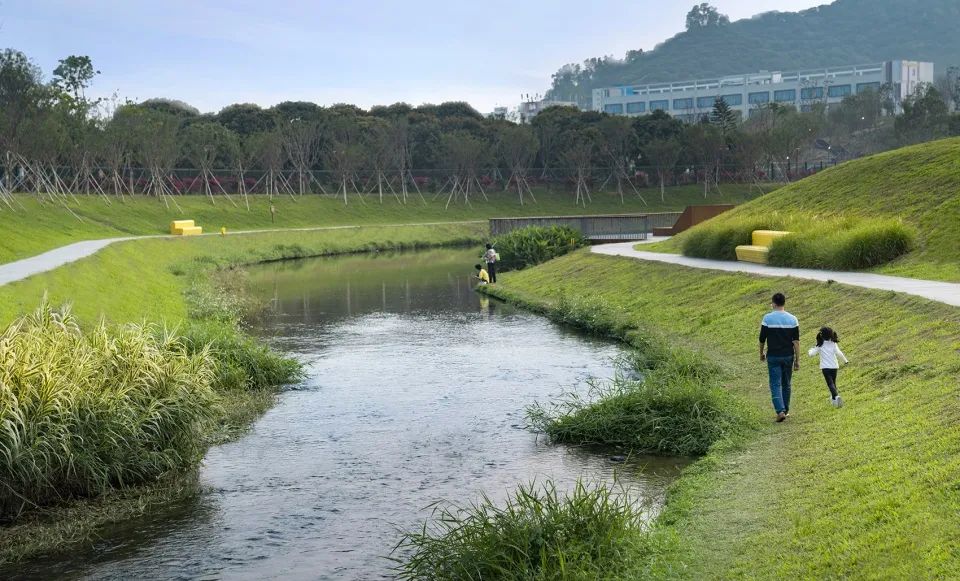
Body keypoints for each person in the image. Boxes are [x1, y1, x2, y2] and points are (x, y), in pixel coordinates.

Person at [759, 292, 800, 422]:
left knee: (775, 384)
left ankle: (780, 411)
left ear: (774, 304)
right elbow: (796, 342)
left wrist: (761, 353)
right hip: (788, 356)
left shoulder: (767, 318)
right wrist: (797, 360)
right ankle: (786, 411)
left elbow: (762, 339)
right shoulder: (793, 319)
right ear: (784, 303)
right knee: (786, 383)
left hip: (773, 357)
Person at [808, 326, 848, 408]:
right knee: (833, 383)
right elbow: (839, 353)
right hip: (834, 367)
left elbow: (811, 354)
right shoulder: (833, 343)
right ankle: (835, 401)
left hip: (825, 368)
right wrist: (845, 360)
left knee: (830, 384)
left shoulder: (820, 344)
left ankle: (836, 396)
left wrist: (810, 350)